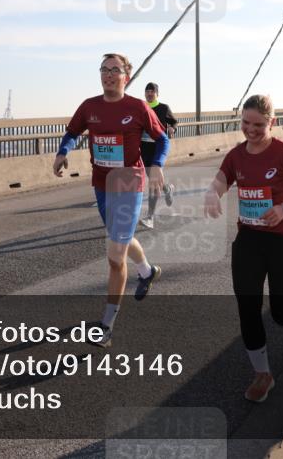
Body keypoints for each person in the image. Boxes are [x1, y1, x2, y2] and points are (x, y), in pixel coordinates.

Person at [204, 94, 283, 403]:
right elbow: (221, 179)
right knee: (248, 307)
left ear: (271, 122)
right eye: (245, 123)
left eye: (258, 124)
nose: (251, 130)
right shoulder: (236, 155)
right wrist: (212, 194)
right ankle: (263, 374)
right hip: (250, 241)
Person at [53, 53, 169, 348]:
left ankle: (106, 325)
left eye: (114, 70)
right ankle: (148, 271)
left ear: (126, 76)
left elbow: (163, 138)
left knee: (115, 255)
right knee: (121, 237)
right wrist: (62, 152)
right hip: (102, 185)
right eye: (103, 69)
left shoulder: (138, 107)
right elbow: (71, 133)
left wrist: (157, 165)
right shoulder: (89, 106)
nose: (107, 74)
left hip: (130, 183)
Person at [140, 82, 178, 229]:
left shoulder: (163, 108)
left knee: (153, 181)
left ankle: (150, 217)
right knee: (152, 178)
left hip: (157, 148)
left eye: (152, 92)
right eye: (147, 91)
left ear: (157, 94)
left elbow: (174, 122)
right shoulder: (141, 108)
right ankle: (168, 188)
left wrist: (171, 130)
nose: (149, 94)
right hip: (143, 148)